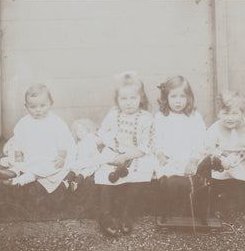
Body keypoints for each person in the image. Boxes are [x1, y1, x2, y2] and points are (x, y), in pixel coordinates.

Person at [95, 71, 154, 236]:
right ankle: (105, 215)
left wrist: (127, 156)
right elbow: (103, 132)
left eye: (133, 98)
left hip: (136, 154)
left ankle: (127, 213)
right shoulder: (113, 115)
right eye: (124, 99)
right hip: (115, 152)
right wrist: (102, 141)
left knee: (141, 173)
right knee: (105, 173)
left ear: (140, 98)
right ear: (117, 100)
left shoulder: (146, 118)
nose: (128, 103)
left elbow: (145, 146)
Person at [0, 83, 76, 193]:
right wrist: (18, 155)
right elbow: (19, 139)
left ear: (50, 104)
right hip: (30, 153)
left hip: (50, 155)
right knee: (17, 159)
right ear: (26, 107)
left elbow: (63, 141)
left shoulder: (56, 122)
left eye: (42, 106)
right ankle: (14, 171)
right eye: (33, 107)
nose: (38, 110)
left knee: (47, 166)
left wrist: (61, 157)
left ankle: (20, 181)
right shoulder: (24, 122)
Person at [201, 90, 245, 222]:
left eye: (235, 113)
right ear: (219, 113)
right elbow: (208, 146)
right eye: (225, 113)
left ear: (243, 114)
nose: (230, 118)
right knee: (217, 173)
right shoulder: (215, 128)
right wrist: (221, 154)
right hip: (225, 158)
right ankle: (219, 206)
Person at [152, 75, 207, 222]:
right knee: (167, 177)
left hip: (188, 158)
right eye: (173, 96)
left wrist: (194, 160)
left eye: (182, 96)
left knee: (187, 176)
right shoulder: (161, 117)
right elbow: (156, 140)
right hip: (168, 158)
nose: (178, 101)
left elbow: (200, 142)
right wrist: (160, 153)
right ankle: (167, 208)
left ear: (189, 98)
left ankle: (188, 203)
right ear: (166, 98)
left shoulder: (194, 117)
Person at [63, 118, 104, 192]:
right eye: (79, 131)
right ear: (75, 133)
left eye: (83, 130)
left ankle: (76, 181)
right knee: (75, 168)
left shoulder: (91, 137)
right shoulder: (78, 143)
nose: (82, 133)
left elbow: (101, 141)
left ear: (87, 130)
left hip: (92, 159)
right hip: (81, 160)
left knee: (88, 169)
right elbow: (74, 153)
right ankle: (66, 181)